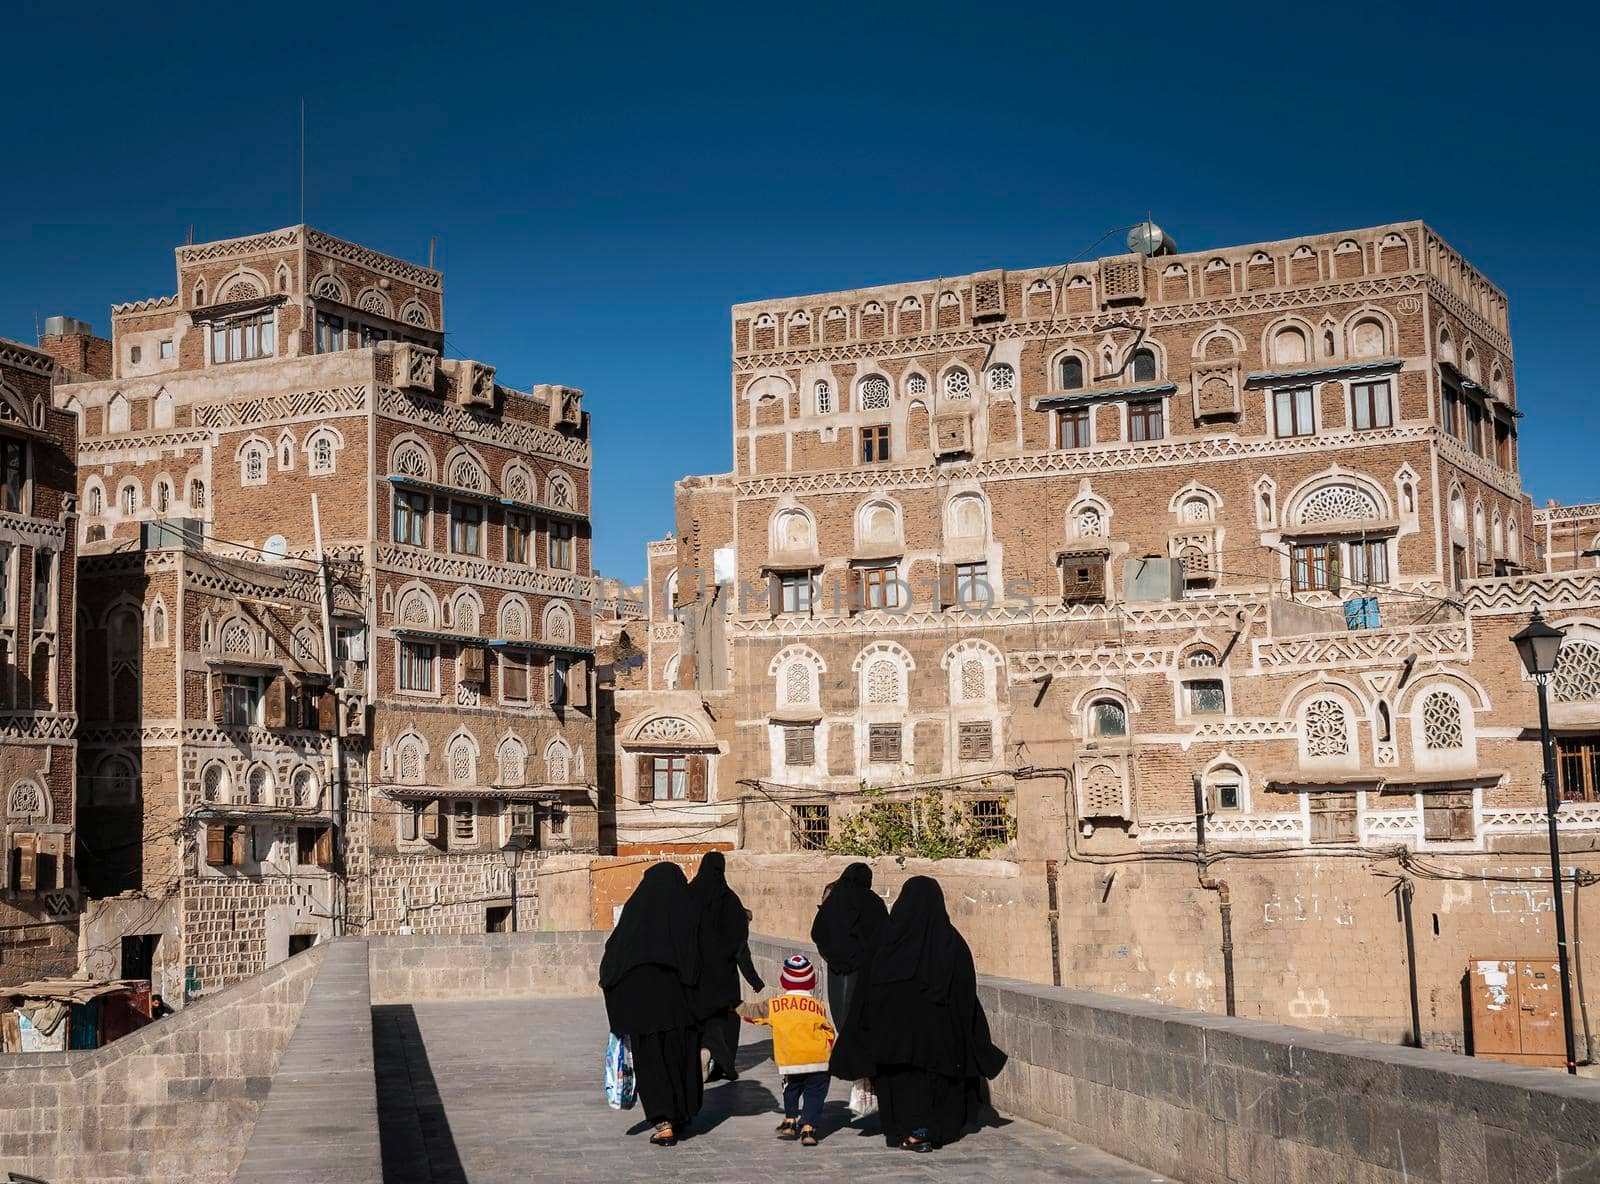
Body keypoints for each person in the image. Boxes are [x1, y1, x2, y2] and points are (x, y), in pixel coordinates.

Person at [829, 876, 1005, 1153]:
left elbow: (865, 991)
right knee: (936, 1083)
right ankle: (929, 1130)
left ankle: (906, 1130)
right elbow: (964, 991)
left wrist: (863, 1033)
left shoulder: (886, 940)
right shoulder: (951, 943)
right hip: (939, 1038)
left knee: (901, 1084)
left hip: (893, 1040)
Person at [599, 862, 703, 1147]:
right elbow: (695, 963)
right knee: (679, 1058)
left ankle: (664, 1122)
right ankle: (681, 1113)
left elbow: (612, 964)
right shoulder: (685, 913)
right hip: (677, 1005)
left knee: (651, 1062)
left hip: (641, 1007)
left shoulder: (635, 913)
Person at [739, 954, 835, 1147]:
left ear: (784, 981)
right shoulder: (818, 1006)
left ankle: (790, 1120)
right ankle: (808, 1127)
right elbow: (828, 1031)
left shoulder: (775, 1005)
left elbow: (751, 1013)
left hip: (790, 1061)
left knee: (790, 1089)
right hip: (818, 1060)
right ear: (811, 982)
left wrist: (734, 1006)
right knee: (815, 1093)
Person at [686, 850, 763, 1082]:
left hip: (695, 975)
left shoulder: (688, 896)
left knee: (698, 1019)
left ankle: (701, 1054)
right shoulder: (731, 901)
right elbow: (740, 946)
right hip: (725, 977)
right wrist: (754, 979)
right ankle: (724, 1065)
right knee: (726, 1020)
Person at [809, 861, 887, 1031]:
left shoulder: (834, 901)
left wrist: (831, 954)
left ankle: (844, 1044)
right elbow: (883, 934)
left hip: (836, 965)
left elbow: (819, 931)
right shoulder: (873, 902)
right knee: (857, 1009)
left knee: (839, 1008)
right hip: (863, 967)